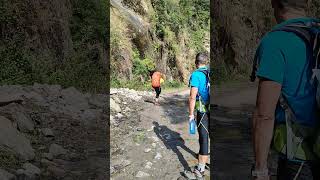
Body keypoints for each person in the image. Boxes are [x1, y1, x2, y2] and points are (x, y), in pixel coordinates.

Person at [251, 0, 320, 179]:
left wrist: (260, 169)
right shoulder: (317, 32)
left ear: (275, 3)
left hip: (297, 156)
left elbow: (264, 114)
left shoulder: (276, 42)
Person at [184, 52, 210, 179]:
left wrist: (190, 114)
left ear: (196, 62)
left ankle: (200, 170)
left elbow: (192, 97)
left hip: (203, 110)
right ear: (206, 62)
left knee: (203, 139)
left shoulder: (196, 75)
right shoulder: (210, 72)